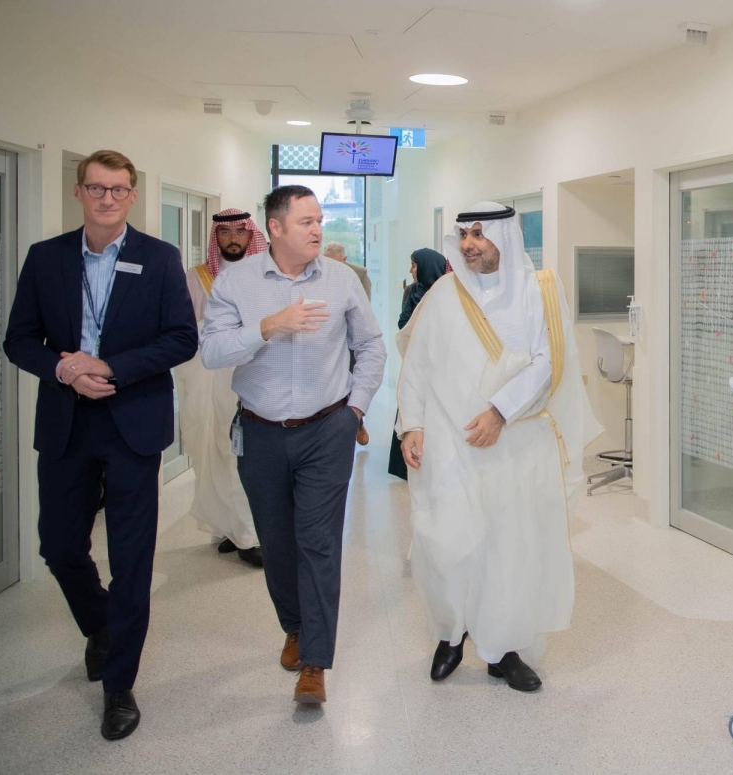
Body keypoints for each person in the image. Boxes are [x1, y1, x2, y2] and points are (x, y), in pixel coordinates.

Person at [3, 150, 198, 740]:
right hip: (67, 420)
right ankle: (102, 624)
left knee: (132, 558)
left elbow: (181, 338)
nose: (106, 198)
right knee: (59, 545)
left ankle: (119, 685)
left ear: (132, 195)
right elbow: (18, 340)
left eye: (117, 189)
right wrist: (65, 369)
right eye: (96, 188)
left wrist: (109, 367)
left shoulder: (159, 258)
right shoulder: (46, 258)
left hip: (132, 420)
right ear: (79, 193)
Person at [397, 202, 600, 692]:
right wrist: (411, 425)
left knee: (509, 548)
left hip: (514, 443)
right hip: (449, 445)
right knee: (447, 543)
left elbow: (548, 361)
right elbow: (416, 364)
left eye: (479, 234)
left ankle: (503, 649)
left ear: (504, 237)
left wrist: (499, 412)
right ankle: (451, 634)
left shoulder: (538, 291)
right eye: (463, 235)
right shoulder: (443, 294)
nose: (468, 244)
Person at [201, 185, 386, 706]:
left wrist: (355, 410)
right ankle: (295, 627)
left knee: (319, 543)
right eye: (306, 221)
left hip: (327, 429)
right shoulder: (236, 282)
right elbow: (211, 352)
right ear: (275, 228)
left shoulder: (340, 279)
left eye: (319, 220)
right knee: (277, 543)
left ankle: (315, 662)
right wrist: (268, 327)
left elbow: (371, 346)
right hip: (259, 432)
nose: (317, 229)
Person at [174, 209, 268, 567]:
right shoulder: (197, 277)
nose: (233, 238)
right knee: (210, 452)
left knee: (240, 455)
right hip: (206, 379)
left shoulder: (264, 274)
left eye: (240, 232)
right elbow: (184, 330)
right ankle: (228, 528)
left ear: (251, 236)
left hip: (250, 376)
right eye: (225, 232)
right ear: (216, 237)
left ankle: (250, 535)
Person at [388, 247, 449, 480]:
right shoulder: (412, 291)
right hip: (417, 361)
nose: (411, 270)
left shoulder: (448, 292)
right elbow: (403, 322)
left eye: (414, 265)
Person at [322, 241, 372, 445]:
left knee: (352, 380)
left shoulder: (358, 274)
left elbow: (364, 310)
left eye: (337, 262)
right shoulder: (317, 273)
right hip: (325, 338)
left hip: (351, 337)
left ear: (344, 260)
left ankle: (358, 423)